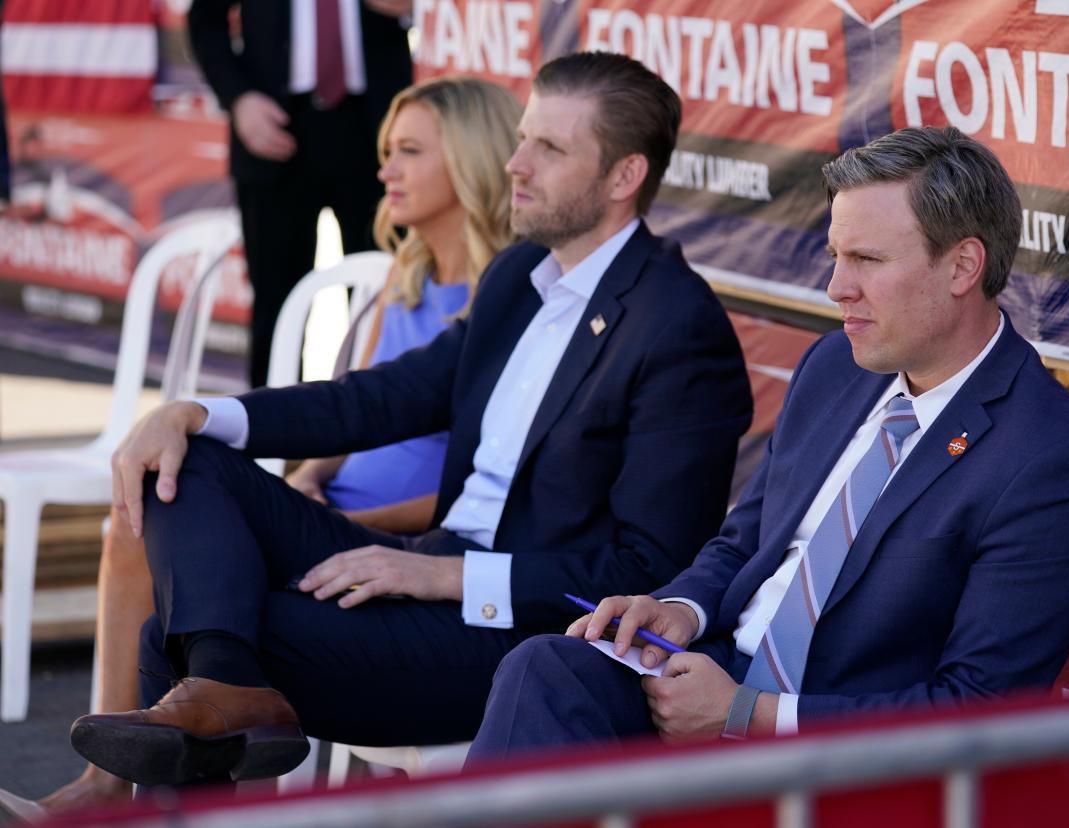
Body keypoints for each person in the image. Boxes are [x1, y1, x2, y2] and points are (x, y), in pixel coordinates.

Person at [69, 52, 753, 787]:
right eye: (523, 138)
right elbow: (377, 399)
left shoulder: (678, 326)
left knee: (166, 636)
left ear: (624, 178)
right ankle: (227, 685)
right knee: (194, 456)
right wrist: (198, 411)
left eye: (549, 149)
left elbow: (647, 571)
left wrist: (441, 575)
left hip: (521, 629)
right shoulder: (520, 277)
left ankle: (225, 689)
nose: (516, 164)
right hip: (432, 567)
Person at [465, 126, 1069, 759]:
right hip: (709, 678)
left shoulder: (1049, 462)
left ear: (962, 266)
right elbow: (745, 539)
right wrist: (677, 610)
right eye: (836, 255)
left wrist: (746, 718)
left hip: (831, 750)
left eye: (866, 259)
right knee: (544, 669)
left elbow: (978, 708)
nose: (837, 288)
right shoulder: (837, 365)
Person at [37, 76, 521, 812]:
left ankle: (141, 768)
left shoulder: (508, 299)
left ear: (475, 163)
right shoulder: (401, 275)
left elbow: (481, 486)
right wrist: (305, 481)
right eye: (385, 150)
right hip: (326, 515)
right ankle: (129, 764)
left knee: (173, 522)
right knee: (152, 493)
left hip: (406, 541)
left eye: (410, 152)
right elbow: (351, 406)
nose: (384, 167)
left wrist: (368, 524)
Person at [187, 0, 412, 390]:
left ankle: (376, 437)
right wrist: (239, 98)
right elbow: (204, 20)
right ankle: (271, 437)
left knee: (382, 295)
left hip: (375, 129)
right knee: (277, 304)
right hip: (275, 129)